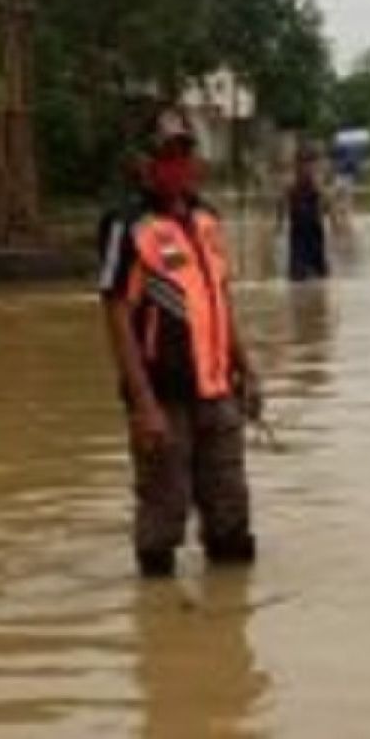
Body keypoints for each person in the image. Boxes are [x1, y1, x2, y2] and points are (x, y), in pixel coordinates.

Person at [98, 108, 262, 579]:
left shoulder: (208, 220)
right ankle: (161, 631)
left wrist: (246, 370)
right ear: (146, 163)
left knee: (232, 521)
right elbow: (115, 313)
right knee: (161, 524)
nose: (179, 165)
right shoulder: (126, 225)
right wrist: (143, 404)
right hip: (163, 400)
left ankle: (226, 634)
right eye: (168, 155)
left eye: (186, 154)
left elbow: (220, 302)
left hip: (217, 394)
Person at [277, 149, 337, 281]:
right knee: (297, 274)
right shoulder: (290, 184)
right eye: (304, 164)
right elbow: (281, 204)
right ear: (297, 165)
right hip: (298, 233)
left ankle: (317, 298)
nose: (307, 168)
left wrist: (334, 225)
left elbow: (328, 205)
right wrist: (279, 226)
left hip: (314, 231)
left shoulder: (317, 184)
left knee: (320, 272)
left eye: (310, 165)